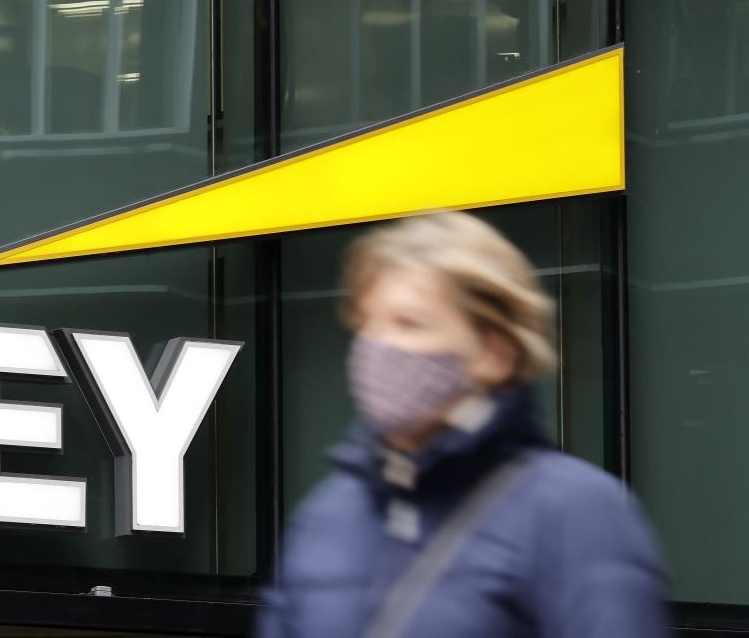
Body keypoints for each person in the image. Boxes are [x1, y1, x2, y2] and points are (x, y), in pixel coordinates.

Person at [256, 211, 668, 638]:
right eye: (367, 323)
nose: (376, 345)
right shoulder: (326, 514)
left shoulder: (575, 516)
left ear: (495, 353)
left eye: (409, 323)